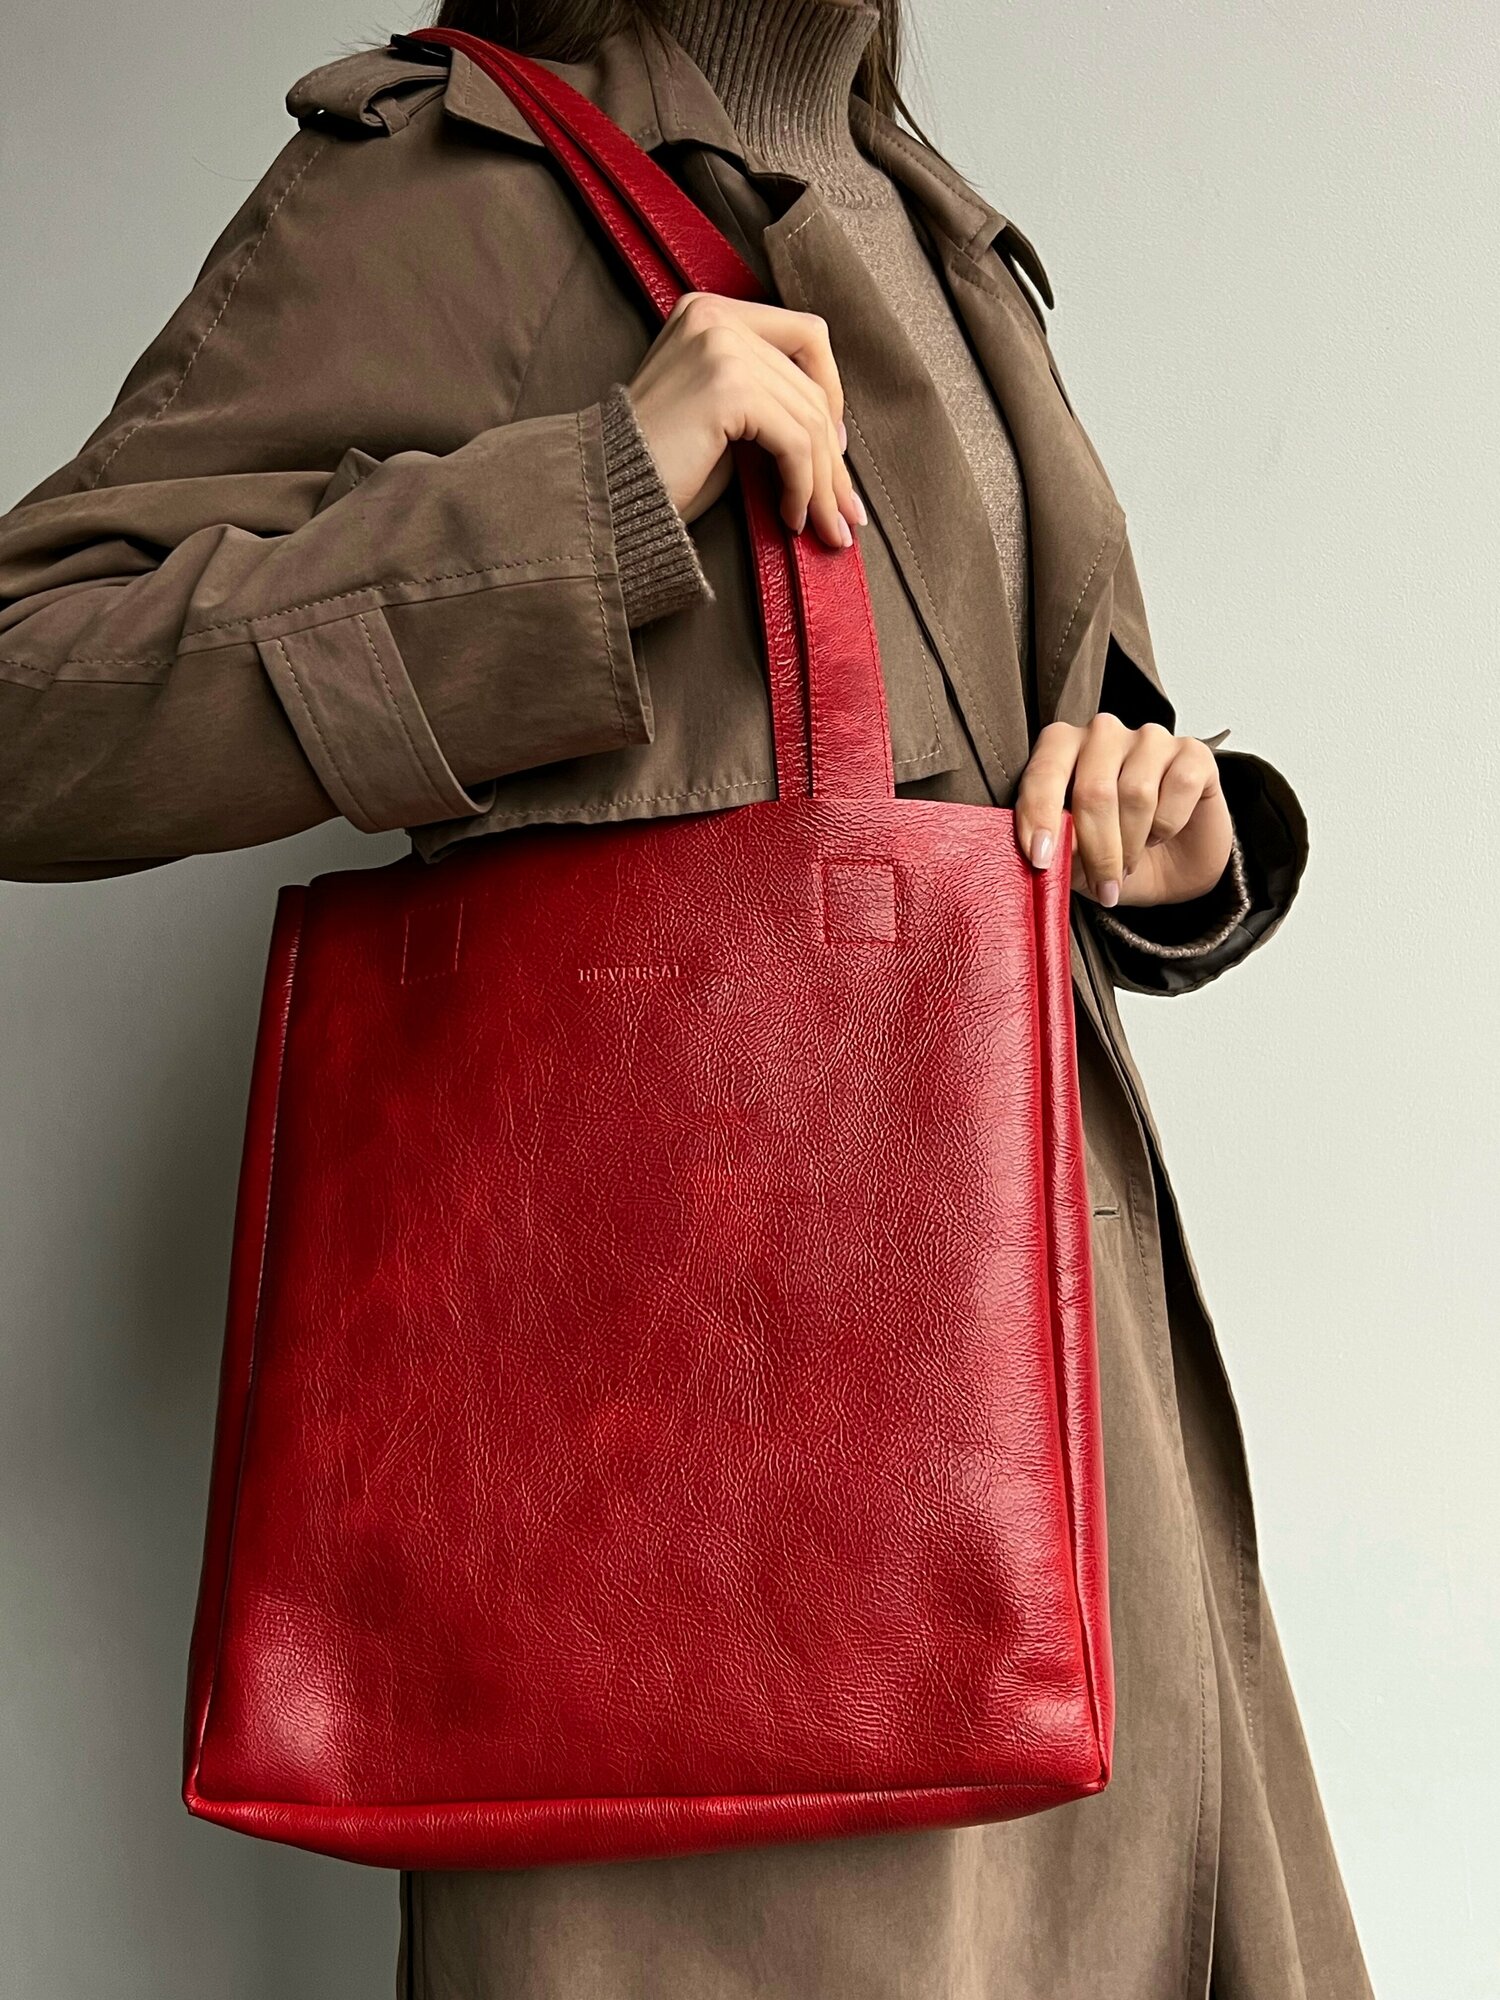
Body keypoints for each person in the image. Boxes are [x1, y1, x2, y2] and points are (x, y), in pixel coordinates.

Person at [0, 2, 1374, 1995]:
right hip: (721, 1529)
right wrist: (592, 502)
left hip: (1070, 1488)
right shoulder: (444, 181)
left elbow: (1001, 774)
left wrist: (1162, 826)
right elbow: (29, 702)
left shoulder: (922, 201)